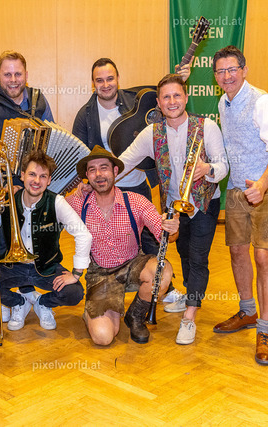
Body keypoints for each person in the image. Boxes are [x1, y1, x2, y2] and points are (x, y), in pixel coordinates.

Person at [119, 73, 228, 345]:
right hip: (174, 207)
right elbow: (125, 161)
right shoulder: (152, 133)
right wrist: (98, 178)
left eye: (177, 95)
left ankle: (189, 316)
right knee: (184, 254)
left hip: (204, 203)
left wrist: (208, 169)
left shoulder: (207, 127)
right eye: (166, 97)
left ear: (186, 97)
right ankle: (191, 294)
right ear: (158, 102)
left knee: (198, 257)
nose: (172, 101)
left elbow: (223, 166)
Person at [71, 58, 190, 303]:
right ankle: (108, 281)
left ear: (118, 79)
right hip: (103, 187)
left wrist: (181, 79)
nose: (106, 84)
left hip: (135, 182)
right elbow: (79, 152)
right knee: (109, 238)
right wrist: (86, 180)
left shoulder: (134, 99)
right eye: (99, 80)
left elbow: (164, 96)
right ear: (93, 83)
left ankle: (162, 287)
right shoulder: (86, 114)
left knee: (151, 237)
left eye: (110, 78)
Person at [212, 46, 268, 365]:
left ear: (244, 70)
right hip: (236, 187)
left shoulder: (263, 103)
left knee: (263, 254)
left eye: (233, 69)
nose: (227, 76)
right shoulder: (223, 103)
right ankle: (247, 312)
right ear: (216, 77)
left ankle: (265, 330)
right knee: (237, 250)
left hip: (266, 186)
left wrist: (263, 183)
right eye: (221, 71)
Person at [66, 146, 179, 345]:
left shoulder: (136, 201)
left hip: (134, 264)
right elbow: (45, 206)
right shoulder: (77, 203)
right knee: (103, 337)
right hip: (100, 274)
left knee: (162, 272)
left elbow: (166, 236)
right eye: (92, 170)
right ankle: (96, 312)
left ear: (115, 171)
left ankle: (135, 315)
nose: (98, 174)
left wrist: (171, 228)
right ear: (87, 176)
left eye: (104, 168)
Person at [0, 151, 91, 331]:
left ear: (49, 180)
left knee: (74, 293)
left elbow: (83, 234)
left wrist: (75, 274)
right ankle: (18, 302)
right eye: (32, 174)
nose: (36, 181)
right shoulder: (7, 201)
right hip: (12, 266)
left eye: (43, 176)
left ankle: (43, 303)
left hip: (46, 267)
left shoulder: (57, 202)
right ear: (22, 176)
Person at [0, 50, 54, 143]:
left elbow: (51, 140)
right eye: (7, 74)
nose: (13, 80)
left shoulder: (38, 100)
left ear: (26, 75)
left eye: (18, 74)